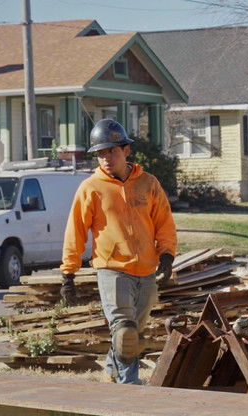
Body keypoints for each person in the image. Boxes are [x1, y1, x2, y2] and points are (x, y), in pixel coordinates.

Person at [59, 119, 177, 384]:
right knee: (125, 333)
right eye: (100, 153)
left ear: (126, 150)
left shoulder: (149, 183)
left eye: (111, 151)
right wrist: (69, 272)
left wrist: (167, 256)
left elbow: (164, 223)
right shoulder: (90, 188)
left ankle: (111, 373)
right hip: (112, 269)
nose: (105, 158)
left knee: (133, 335)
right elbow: (75, 229)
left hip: (146, 269)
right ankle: (129, 387)